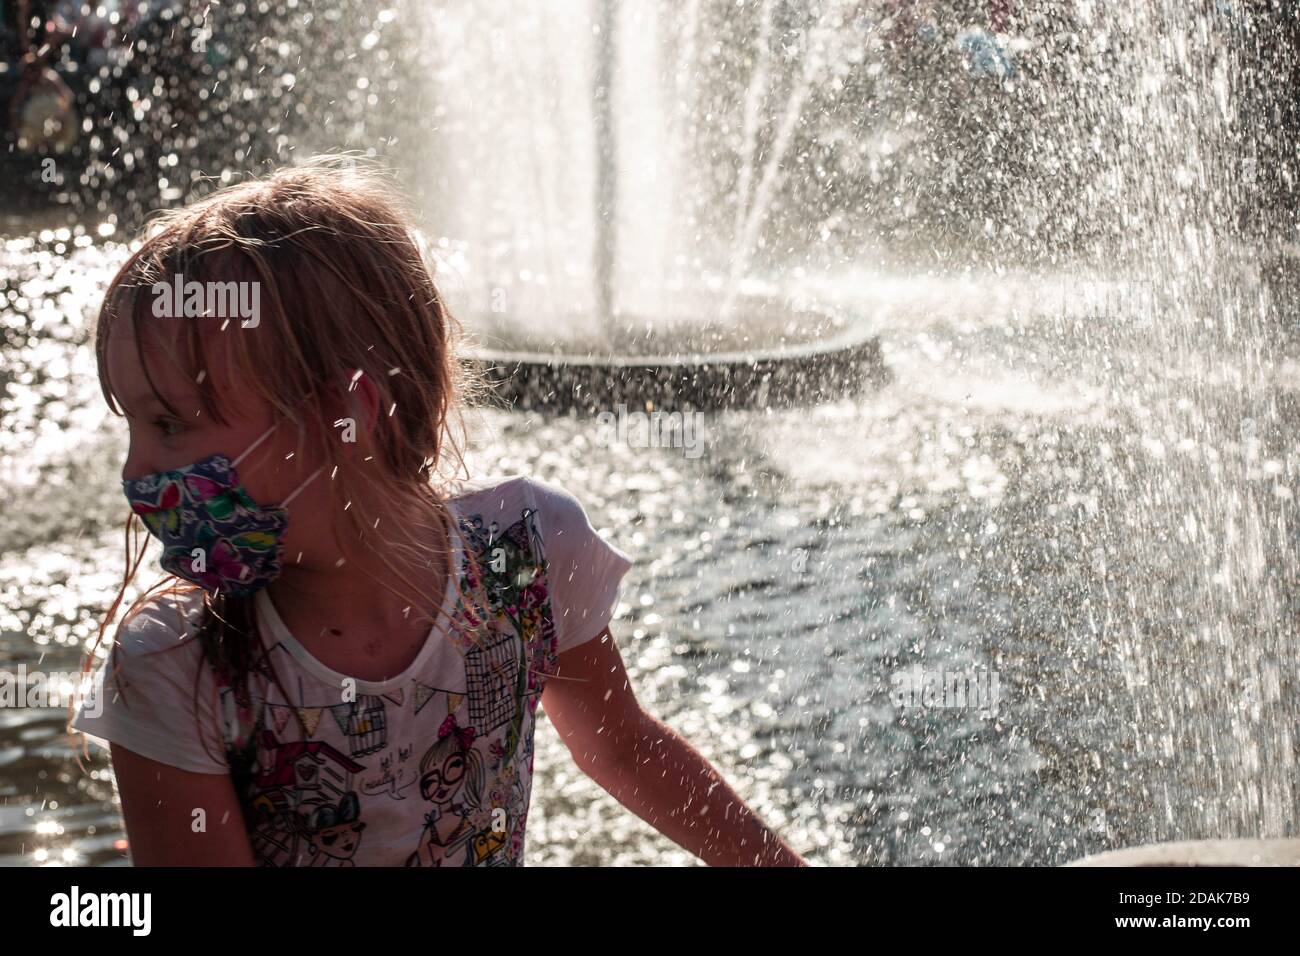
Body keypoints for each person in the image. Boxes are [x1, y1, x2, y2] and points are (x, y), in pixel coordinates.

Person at [68, 157, 807, 867]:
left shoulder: (528, 555)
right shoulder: (175, 663)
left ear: (343, 415)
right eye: (132, 424)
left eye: (169, 424)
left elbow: (624, 748)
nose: (136, 470)